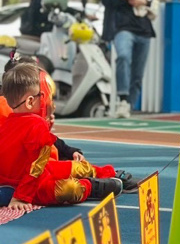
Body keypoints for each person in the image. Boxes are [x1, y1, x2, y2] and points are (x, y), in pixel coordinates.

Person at [0, 61, 123, 207]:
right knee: (70, 188)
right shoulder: (36, 124)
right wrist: (21, 197)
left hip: (33, 176)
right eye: (42, 96)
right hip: (35, 186)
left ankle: (107, 173)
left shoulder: (8, 123)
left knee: (75, 167)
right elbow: (36, 166)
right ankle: (91, 186)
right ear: (30, 101)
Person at [101, 0, 155, 118]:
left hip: (143, 26)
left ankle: (129, 105)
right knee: (123, 56)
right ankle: (122, 100)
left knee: (138, 73)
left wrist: (143, 0)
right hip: (121, 25)